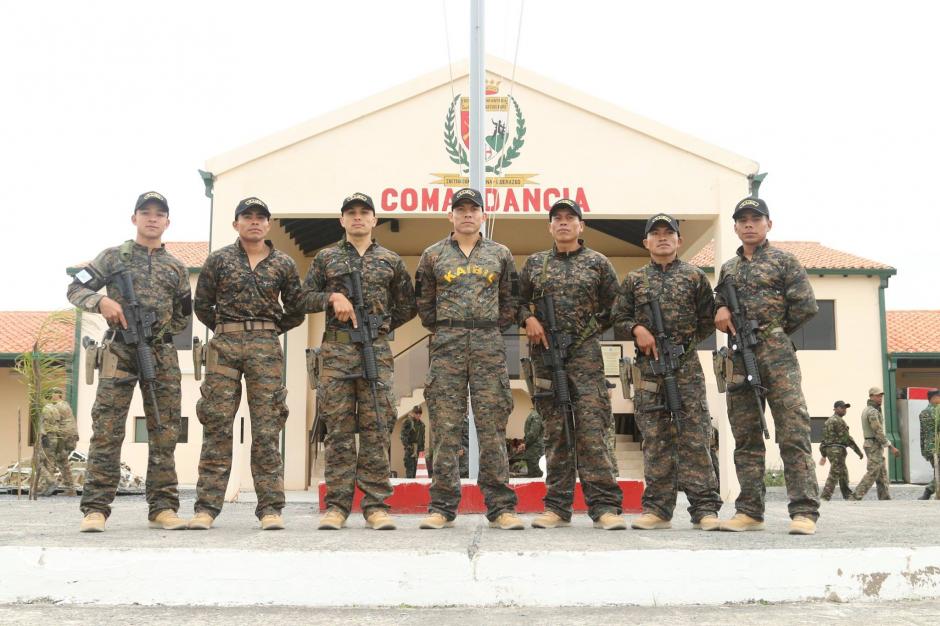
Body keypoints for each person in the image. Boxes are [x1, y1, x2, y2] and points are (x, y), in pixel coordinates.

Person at [67, 191, 191, 532]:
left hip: (160, 355)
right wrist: (101, 302)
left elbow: (183, 315)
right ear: (134, 218)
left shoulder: (177, 268)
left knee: (165, 430)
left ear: (167, 222)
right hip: (120, 351)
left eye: (159, 214)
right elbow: (75, 288)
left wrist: (159, 333)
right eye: (145, 212)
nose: (152, 218)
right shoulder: (111, 258)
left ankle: (163, 508)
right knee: (107, 430)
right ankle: (95, 510)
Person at [190, 197, 305, 531]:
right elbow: (202, 305)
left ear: (268, 224)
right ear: (236, 223)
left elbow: (296, 309)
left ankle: (270, 509)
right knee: (217, 425)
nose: (254, 222)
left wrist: (268, 330)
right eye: (247, 216)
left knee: (267, 429)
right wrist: (227, 328)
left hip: (265, 349)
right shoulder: (218, 260)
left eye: (260, 217)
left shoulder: (283, 263)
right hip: (224, 346)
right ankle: (206, 508)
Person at [304, 193, 416, 530]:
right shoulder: (326, 257)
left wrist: (380, 326)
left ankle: (376, 506)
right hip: (337, 354)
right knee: (338, 431)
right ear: (342, 220)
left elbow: (408, 304)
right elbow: (302, 297)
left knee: (376, 429)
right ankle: (337, 507)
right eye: (350, 212)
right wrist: (332, 297)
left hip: (375, 353)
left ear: (374, 220)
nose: (357, 217)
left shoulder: (390, 260)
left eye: (364, 212)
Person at [414, 187, 523, 530]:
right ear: (450, 215)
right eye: (460, 210)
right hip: (447, 345)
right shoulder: (432, 255)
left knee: (492, 428)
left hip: (488, 345)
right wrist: (451, 327)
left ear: (482, 215)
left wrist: (486, 327)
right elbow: (424, 305)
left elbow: (511, 301)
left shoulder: (500, 254)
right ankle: (441, 507)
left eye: (473, 210)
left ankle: (501, 508)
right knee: (446, 427)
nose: (466, 215)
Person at [714, 197, 820, 535]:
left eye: (755, 219)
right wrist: (720, 309)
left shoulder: (784, 261)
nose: (749, 224)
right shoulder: (729, 268)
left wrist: (773, 330)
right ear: (735, 227)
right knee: (745, 434)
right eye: (742, 219)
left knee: (793, 430)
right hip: (739, 355)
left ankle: (804, 511)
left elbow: (806, 305)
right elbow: (719, 301)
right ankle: (749, 511)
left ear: (768, 224)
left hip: (776, 355)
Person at [520, 198, 626, 531]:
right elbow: (515, 301)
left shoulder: (598, 263)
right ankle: (557, 507)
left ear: (581, 225)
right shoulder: (535, 264)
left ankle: (605, 507)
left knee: (593, 432)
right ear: (550, 226)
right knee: (556, 433)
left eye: (570, 218)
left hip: (585, 358)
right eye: (557, 218)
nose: (564, 223)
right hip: (547, 358)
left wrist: (588, 330)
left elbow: (617, 306)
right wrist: (527, 319)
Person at [613, 213, 721, 531]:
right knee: (655, 439)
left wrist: (682, 345)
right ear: (646, 242)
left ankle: (705, 509)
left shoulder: (694, 277)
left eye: (668, 233)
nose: (662, 238)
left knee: (695, 437)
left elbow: (708, 319)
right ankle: (658, 509)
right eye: (656, 233)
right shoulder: (635, 280)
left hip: (686, 368)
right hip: (649, 369)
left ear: (679, 241)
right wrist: (637, 330)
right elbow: (618, 317)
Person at [851, 387, 900, 501]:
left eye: (881, 396)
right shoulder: (872, 412)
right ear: (871, 396)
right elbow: (878, 431)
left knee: (881, 472)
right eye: (878, 396)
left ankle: (885, 497)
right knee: (873, 472)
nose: (880, 398)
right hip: (873, 444)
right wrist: (891, 447)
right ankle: (855, 496)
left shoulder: (871, 409)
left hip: (874, 444)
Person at [35, 387, 79, 497]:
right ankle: (70, 489)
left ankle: (48, 484)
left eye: (52, 394)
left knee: (50, 460)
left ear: (58, 395)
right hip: (68, 437)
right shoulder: (65, 404)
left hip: (63, 438)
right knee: (62, 462)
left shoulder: (56, 407)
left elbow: (52, 423)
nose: (51, 396)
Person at [818, 400, 863, 501]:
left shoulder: (828, 421)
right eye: (842, 408)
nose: (844, 410)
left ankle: (847, 495)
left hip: (831, 450)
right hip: (837, 450)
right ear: (835, 409)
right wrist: (858, 451)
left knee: (843, 473)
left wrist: (823, 454)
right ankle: (825, 497)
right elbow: (847, 438)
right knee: (835, 473)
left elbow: (824, 439)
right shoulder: (838, 421)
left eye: (845, 408)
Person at [919, 389, 939, 499]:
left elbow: (922, 434)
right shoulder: (937, 412)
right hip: (937, 447)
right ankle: (928, 491)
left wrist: (923, 450)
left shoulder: (923, 413)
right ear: (934, 398)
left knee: (938, 472)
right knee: (938, 473)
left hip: (929, 448)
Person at [400, 406, 426, 479]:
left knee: (416, 473)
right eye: (416, 413)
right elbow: (403, 436)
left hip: (418, 451)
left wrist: (422, 450)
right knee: (410, 472)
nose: (418, 415)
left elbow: (422, 439)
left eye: (420, 413)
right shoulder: (408, 422)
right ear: (413, 413)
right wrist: (408, 446)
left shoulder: (422, 425)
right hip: (410, 450)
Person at [522, 408, 544, 478]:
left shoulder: (535, 415)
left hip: (535, 449)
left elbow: (533, 434)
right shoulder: (537, 414)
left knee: (535, 475)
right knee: (536, 474)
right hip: (535, 448)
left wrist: (525, 443)